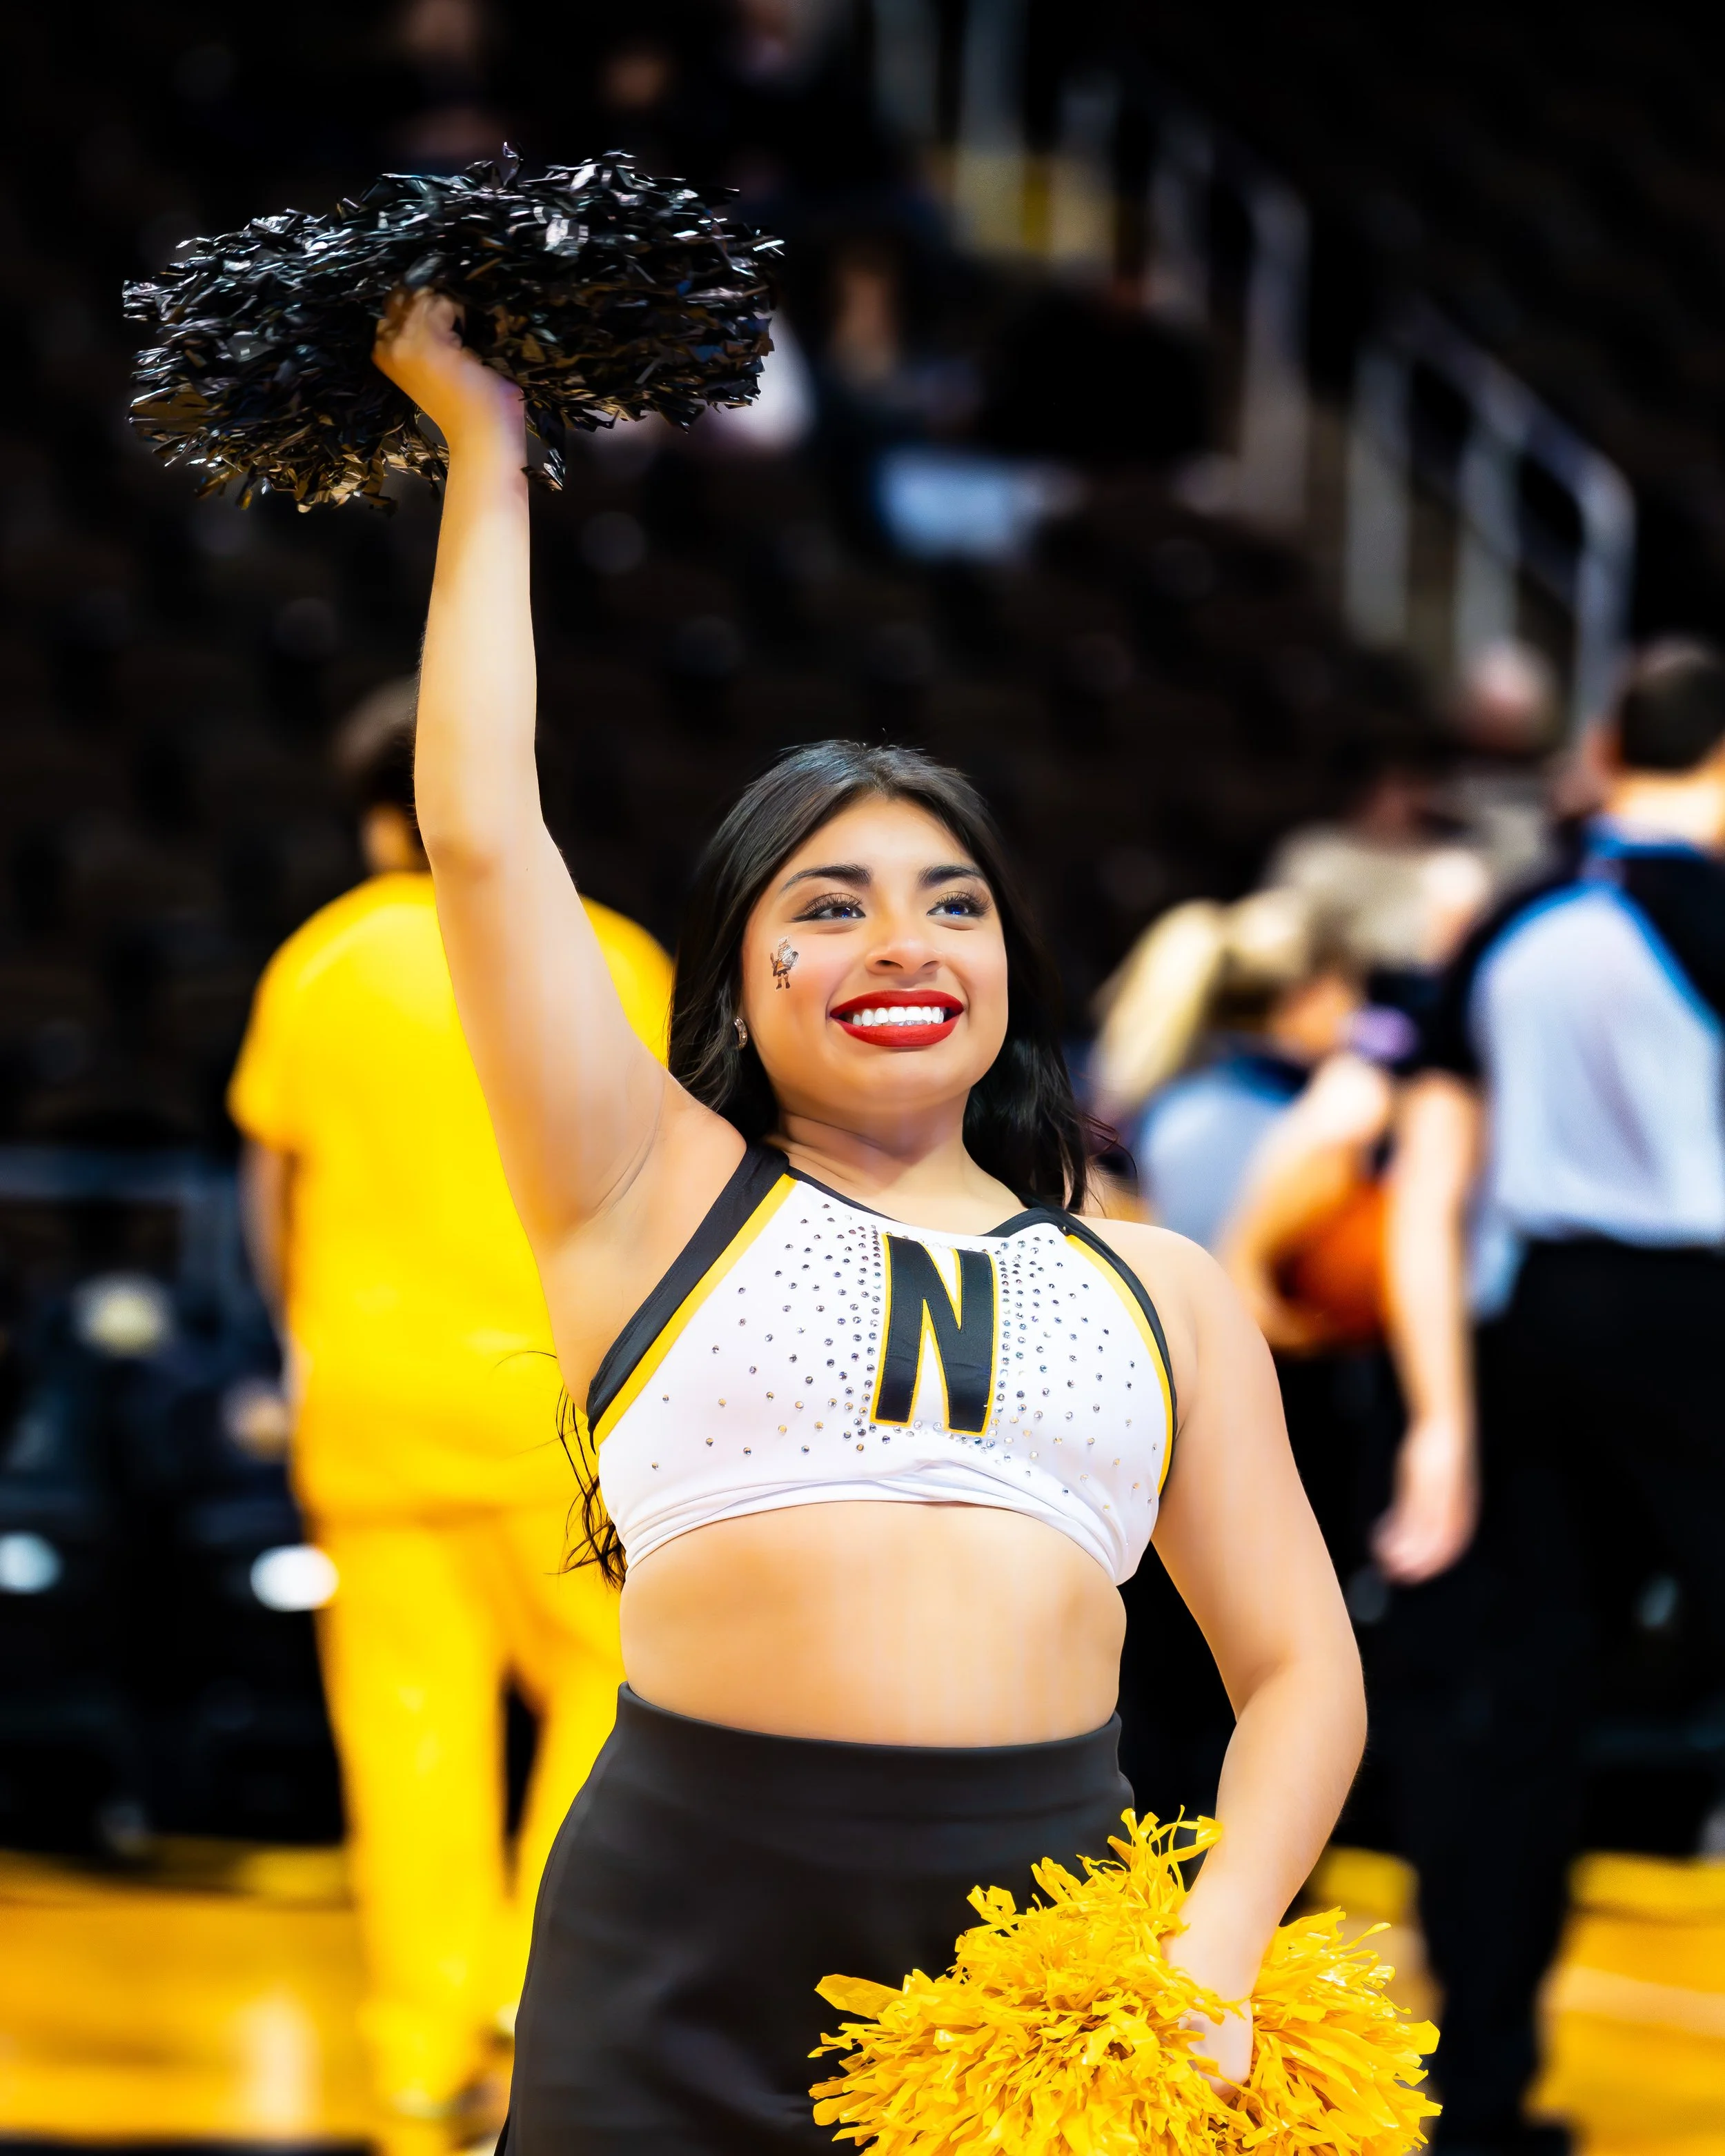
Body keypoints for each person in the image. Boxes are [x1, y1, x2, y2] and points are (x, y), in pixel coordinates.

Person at [371, 287, 1366, 2156]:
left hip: (1038, 1960)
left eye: (951, 904)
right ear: (736, 984)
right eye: (824, 906)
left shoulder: (1155, 1281)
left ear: (1010, 965)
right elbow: (487, 828)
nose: (900, 941)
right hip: (679, 1927)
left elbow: (1300, 1663)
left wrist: (1215, 1948)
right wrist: (482, 451)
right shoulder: (642, 1184)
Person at [229, 679, 676, 2123]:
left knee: (408, 1733)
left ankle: (423, 2050)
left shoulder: (320, 961)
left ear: (376, 819)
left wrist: (307, 1342)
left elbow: (272, 1196)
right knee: (618, 1704)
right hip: (563, 1403)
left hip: (367, 1404)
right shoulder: (611, 955)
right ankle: (523, 1994)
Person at [1381, 640, 1725, 2155]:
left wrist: (1437, 1419)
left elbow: (1423, 1190)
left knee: (1509, 1714)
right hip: (1700, 1314)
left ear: (1606, 746)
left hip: (1534, 1328)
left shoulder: (1511, 920)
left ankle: (1477, 2086)